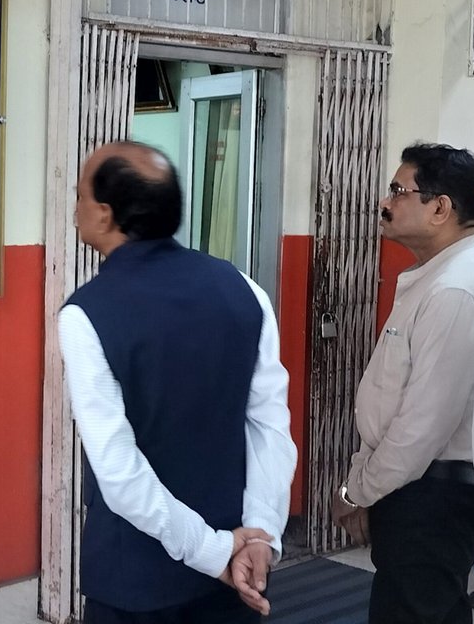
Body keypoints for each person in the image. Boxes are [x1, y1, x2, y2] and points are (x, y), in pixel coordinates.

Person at [60, 141, 297, 623]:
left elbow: (120, 473)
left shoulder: (86, 314)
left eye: (81, 194)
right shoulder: (243, 288)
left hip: (137, 580)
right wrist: (261, 533)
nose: (75, 206)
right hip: (239, 567)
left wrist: (212, 550)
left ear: (105, 214)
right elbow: (271, 427)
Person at [330, 144, 474, 623]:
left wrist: (357, 491)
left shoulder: (457, 289)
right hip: (418, 487)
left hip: (436, 496)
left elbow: (423, 425)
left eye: (398, 191)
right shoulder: (438, 277)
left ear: (440, 208)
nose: (384, 203)